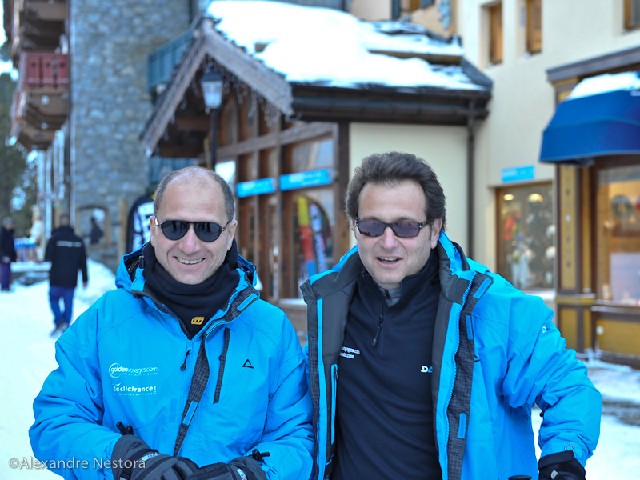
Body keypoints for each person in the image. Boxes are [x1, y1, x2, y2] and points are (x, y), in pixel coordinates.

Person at [301, 152, 601, 480]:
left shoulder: (489, 307)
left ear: (434, 230)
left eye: (405, 227)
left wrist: (562, 462)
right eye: (372, 226)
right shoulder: (330, 307)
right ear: (355, 228)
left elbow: (569, 387)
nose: (387, 242)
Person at [30, 166, 313, 480]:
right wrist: (126, 460)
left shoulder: (270, 330)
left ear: (229, 233)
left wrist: (248, 474)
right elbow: (54, 422)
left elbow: (296, 437)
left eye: (207, 229)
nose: (189, 245)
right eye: (174, 227)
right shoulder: (105, 320)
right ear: (153, 229)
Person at [44, 213, 89, 337]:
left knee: (53, 299)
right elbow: (83, 261)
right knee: (68, 302)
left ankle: (59, 321)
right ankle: (66, 325)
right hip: (71, 278)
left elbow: (47, 257)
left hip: (56, 277)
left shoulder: (54, 239)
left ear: (59, 223)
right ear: (70, 223)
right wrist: (85, 278)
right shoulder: (78, 240)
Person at [0, 216, 17, 291]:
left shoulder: (11, 233)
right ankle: (4, 286)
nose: (10, 226)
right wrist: (3, 255)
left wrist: (14, 255)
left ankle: (7, 285)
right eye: (8, 224)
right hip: (4, 256)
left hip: (9, 255)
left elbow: (12, 245)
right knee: (4, 271)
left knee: (8, 271)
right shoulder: (2, 233)